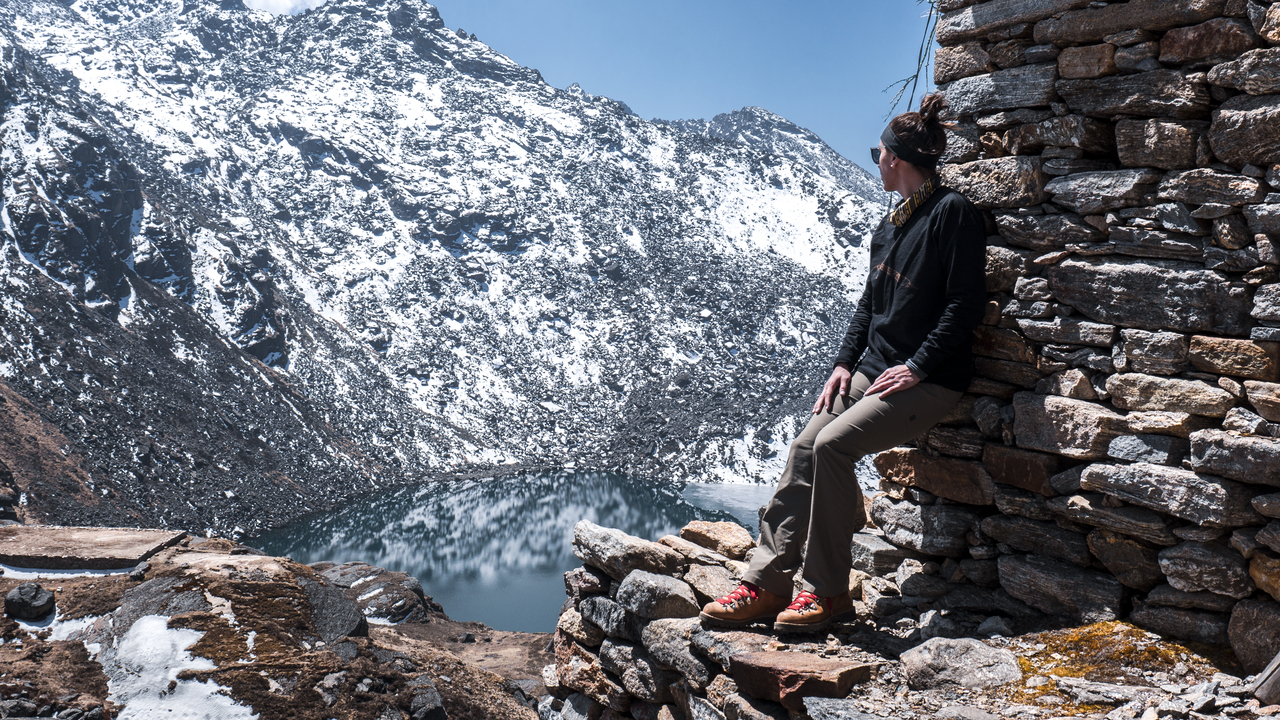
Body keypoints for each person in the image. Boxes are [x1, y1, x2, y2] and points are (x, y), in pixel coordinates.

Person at [699, 93, 987, 633]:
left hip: (926, 380)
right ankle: (765, 583)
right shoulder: (891, 225)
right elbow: (868, 306)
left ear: (894, 158)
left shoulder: (953, 214)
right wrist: (842, 363)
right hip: (873, 369)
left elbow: (964, 305)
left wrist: (921, 365)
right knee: (805, 447)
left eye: (877, 152)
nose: (874, 160)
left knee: (832, 448)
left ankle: (827, 595)